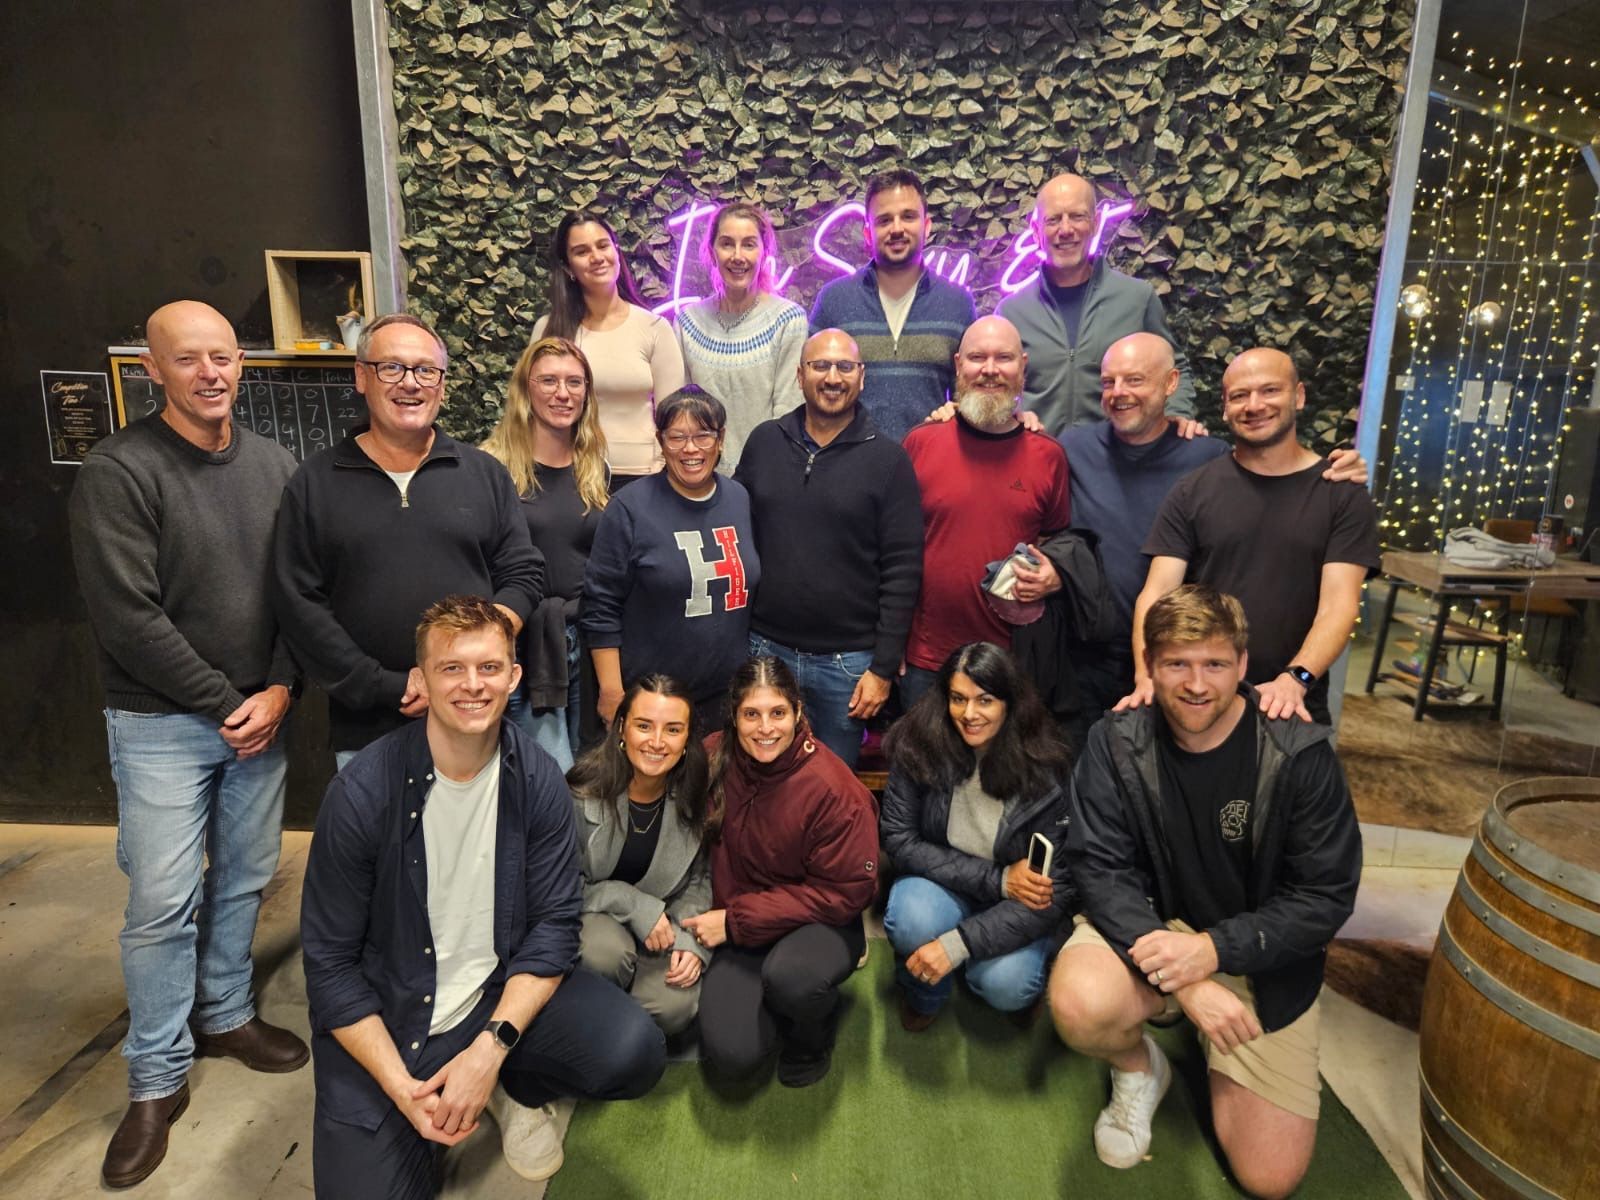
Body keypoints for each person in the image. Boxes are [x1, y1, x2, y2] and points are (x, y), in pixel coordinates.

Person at [301, 595, 665, 1196]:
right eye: (452, 668)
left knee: (634, 1050)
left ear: (514, 676)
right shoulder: (362, 794)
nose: (473, 685)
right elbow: (330, 967)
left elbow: (553, 926)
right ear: (419, 680)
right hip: (391, 1024)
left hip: (490, 998)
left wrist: (487, 1053)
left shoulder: (539, 778)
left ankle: (512, 1087)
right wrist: (402, 1090)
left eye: (490, 668)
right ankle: (416, 1122)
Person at [68, 300, 308, 1188]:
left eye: (223, 356)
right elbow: (129, 619)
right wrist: (227, 700)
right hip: (164, 723)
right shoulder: (119, 471)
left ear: (240, 365)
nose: (210, 373)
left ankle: (227, 1013)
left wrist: (281, 686)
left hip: (260, 714)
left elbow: (296, 590)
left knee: (245, 878)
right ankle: (156, 1080)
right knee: (163, 903)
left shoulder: (276, 466)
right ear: (152, 370)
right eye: (189, 359)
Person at [1049, 585, 1360, 1198]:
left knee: (1269, 1178)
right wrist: (1188, 979)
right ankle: (1141, 1070)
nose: (1196, 683)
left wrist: (1217, 953)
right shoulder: (1115, 742)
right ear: (1151, 666)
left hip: (1261, 956)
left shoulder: (1300, 752)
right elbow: (1098, 870)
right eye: (1176, 664)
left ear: (1244, 666)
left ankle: (1227, 1042)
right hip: (1153, 930)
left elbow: (1324, 897)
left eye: (1214, 664)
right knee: (1081, 1002)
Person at [1060, 334, 1369, 742]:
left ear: (1298, 396)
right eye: (1240, 395)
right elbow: (1155, 592)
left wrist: (1296, 678)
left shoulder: (1339, 490)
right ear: (1225, 407)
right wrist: (1147, 674)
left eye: (1269, 391)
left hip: (1291, 700)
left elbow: (1339, 605)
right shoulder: (1194, 487)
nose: (1254, 405)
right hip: (1196, 694)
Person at [273, 312, 543, 764]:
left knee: (480, 835)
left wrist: (469, 661)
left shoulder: (483, 475)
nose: (411, 383)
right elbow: (298, 601)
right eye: (392, 368)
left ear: (441, 384)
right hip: (366, 728)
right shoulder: (315, 482)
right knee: (377, 835)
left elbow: (523, 572)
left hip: (473, 717)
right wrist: (388, 684)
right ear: (361, 376)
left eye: (425, 370)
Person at [683, 657, 879, 1087]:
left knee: (793, 980)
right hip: (741, 925)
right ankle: (773, 1000)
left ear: (798, 713)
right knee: (733, 1056)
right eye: (751, 714)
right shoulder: (713, 755)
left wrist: (736, 922)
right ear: (734, 717)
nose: (765, 728)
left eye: (777, 713)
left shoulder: (834, 790)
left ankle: (813, 1036)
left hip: (817, 921)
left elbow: (846, 892)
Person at [733, 327, 924, 766]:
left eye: (844, 367)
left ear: (862, 377)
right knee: (760, 777)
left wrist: (881, 668)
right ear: (800, 376)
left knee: (832, 786)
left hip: (848, 665)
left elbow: (903, 568)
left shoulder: (889, 461)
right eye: (820, 366)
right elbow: (736, 531)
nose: (832, 377)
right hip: (766, 649)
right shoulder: (765, 442)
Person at [880, 642, 1075, 1030]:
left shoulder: (1047, 764)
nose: (969, 714)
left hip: (1016, 904)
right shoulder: (918, 741)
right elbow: (898, 840)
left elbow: (1057, 889)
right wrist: (998, 880)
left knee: (1006, 985)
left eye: (984, 700)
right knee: (910, 920)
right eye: (957, 699)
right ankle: (924, 993)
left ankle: (985, 965)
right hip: (944, 883)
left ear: (1010, 702)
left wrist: (957, 945)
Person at [900, 315, 1070, 706]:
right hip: (927, 660)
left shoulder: (1049, 456)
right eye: (977, 357)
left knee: (1007, 768)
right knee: (924, 766)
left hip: (1011, 660)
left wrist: (1053, 574)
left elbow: (1057, 546)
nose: (990, 370)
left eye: (1004, 358)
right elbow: (895, 550)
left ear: (1022, 366)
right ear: (958, 364)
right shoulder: (920, 443)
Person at [581, 386, 760, 731]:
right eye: (676, 437)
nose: (690, 448)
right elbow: (600, 606)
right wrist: (611, 691)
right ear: (661, 441)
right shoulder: (630, 508)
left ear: (721, 439)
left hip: (727, 700)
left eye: (703, 436)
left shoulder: (739, 499)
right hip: (653, 703)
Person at [482, 334, 609, 768]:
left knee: (589, 767)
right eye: (549, 380)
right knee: (543, 774)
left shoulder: (595, 466)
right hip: (524, 644)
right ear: (526, 388)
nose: (562, 393)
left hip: (587, 640)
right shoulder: (491, 467)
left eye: (575, 382)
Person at [566, 675, 712, 1036]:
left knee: (674, 1008)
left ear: (686, 740)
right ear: (621, 730)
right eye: (644, 726)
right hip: (595, 918)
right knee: (603, 956)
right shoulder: (580, 791)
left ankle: (611, 1027)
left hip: (661, 930)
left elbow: (700, 880)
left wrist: (690, 940)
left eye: (673, 730)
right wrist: (635, 905)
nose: (657, 742)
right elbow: (561, 888)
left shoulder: (696, 793)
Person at [997, 172, 1197, 434]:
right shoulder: (1012, 312)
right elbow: (996, 389)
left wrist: (1176, 414)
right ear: (1036, 231)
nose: (1065, 230)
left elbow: (1174, 368)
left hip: (1115, 465)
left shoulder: (1136, 299)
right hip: (1037, 460)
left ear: (1095, 223)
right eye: (1053, 219)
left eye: (1077, 216)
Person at [809, 166, 977, 441]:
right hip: (848, 470)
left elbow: (970, 401)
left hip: (929, 470)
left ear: (926, 225)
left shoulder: (958, 304)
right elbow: (810, 391)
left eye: (908, 217)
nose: (897, 228)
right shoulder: (834, 301)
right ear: (867, 233)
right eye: (884, 220)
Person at [533, 209, 685, 483]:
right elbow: (532, 411)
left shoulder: (654, 329)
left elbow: (673, 419)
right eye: (581, 252)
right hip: (569, 477)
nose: (596, 257)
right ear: (568, 267)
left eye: (603, 245)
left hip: (643, 478)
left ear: (616, 251)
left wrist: (664, 474)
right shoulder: (549, 330)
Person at [676, 201, 807, 469]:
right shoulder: (687, 322)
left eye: (749, 244)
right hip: (701, 481)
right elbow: (682, 413)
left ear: (764, 252)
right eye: (727, 244)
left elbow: (788, 415)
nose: (738, 256)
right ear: (712, 252)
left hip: (766, 478)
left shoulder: (788, 320)